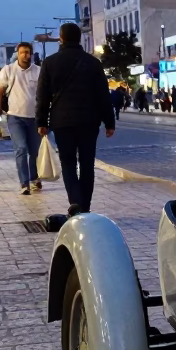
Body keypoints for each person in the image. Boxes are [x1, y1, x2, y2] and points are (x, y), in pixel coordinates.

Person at [36, 23, 115, 215]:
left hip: (62, 122)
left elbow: (42, 96)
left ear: (61, 38)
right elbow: (103, 95)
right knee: (87, 164)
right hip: (89, 121)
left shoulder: (50, 63)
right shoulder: (93, 63)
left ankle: (75, 201)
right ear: (79, 38)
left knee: (68, 162)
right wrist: (109, 122)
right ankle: (85, 205)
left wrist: (41, 122)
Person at [0, 41, 43, 195]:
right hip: (15, 117)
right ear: (17, 53)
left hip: (34, 118)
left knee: (35, 152)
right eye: (22, 52)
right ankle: (24, 183)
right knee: (20, 148)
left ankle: (34, 178)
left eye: (28, 52)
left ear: (32, 54)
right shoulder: (8, 70)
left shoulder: (39, 71)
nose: (25, 55)